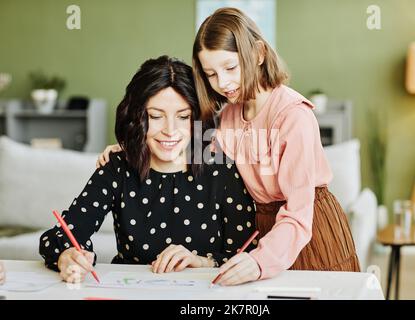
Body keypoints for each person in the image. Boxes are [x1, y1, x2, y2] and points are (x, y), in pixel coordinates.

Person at [97, 7, 360, 286]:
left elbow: (298, 215)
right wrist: (131, 149)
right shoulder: (230, 115)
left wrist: (260, 261)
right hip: (264, 229)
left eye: (230, 68)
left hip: (308, 230)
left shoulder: (294, 116)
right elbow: (188, 145)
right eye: (210, 74)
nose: (222, 83)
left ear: (258, 54)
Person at [39, 55, 256, 284]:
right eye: (155, 116)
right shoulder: (118, 167)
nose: (170, 131)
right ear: (136, 118)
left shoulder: (221, 168)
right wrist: (68, 257)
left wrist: (203, 262)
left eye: (183, 117)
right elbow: (62, 236)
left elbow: (246, 253)